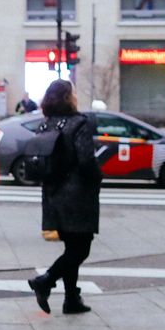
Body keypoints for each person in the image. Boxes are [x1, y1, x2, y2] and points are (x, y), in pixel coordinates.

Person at [28, 79, 102, 315]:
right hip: (77, 195)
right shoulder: (79, 124)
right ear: (69, 98)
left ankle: (71, 300)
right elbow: (86, 160)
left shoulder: (46, 124)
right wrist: (98, 177)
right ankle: (46, 280)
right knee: (81, 250)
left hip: (53, 193)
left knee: (72, 246)